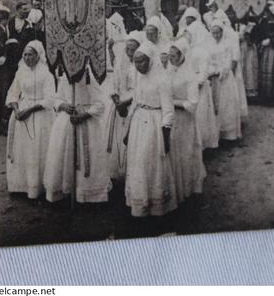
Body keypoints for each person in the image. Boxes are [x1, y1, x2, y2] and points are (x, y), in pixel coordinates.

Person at [44, 68, 112, 204]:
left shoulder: (89, 77)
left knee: (85, 155)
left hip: (85, 121)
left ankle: (86, 193)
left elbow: (100, 104)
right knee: (63, 154)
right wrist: (63, 105)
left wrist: (84, 115)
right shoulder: (65, 77)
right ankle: (65, 190)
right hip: (66, 121)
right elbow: (57, 98)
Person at [124, 41, 177, 217]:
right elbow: (136, 102)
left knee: (150, 163)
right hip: (139, 123)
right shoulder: (139, 77)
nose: (138, 65)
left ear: (151, 61)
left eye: (142, 61)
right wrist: (128, 127)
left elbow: (168, 109)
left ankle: (156, 205)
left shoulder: (162, 80)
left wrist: (166, 132)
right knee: (137, 162)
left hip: (154, 125)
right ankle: (140, 203)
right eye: (136, 62)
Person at [5, 41, 56, 199]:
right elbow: (13, 93)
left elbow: (50, 99)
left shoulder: (46, 75)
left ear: (38, 55)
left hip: (40, 116)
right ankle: (20, 185)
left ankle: (37, 187)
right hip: (21, 114)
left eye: (31, 54)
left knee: (37, 150)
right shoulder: (20, 72)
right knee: (22, 150)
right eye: (25, 55)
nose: (27, 58)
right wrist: (17, 109)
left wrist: (30, 110)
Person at [168, 38, 206, 203]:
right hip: (172, 118)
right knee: (172, 154)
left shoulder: (190, 75)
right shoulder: (170, 70)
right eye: (169, 55)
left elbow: (192, 104)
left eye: (174, 56)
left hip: (184, 120)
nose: (171, 59)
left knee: (185, 153)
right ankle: (175, 189)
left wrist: (174, 102)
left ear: (182, 55)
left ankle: (188, 188)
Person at [104, 31, 142, 180]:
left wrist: (125, 102)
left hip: (132, 103)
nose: (130, 53)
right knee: (116, 139)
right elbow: (114, 82)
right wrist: (115, 97)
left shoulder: (141, 65)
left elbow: (139, 89)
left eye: (133, 49)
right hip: (119, 102)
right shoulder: (121, 61)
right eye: (128, 49)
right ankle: (117, 169)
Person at [185, 21, 219, 150]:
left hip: (199, 88)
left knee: (201, 115)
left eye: (189, 35)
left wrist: (197, 85)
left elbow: (203, 73)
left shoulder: (201, 52)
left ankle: (202, 144)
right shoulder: (189, 49)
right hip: (190, 85)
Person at [207, 21, 241, 143]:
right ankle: (217, 134)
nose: (215, 35)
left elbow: (229, 61)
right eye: (213, 33)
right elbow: (208, 60)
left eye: (218, 33)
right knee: (214, 105)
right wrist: (211, 71)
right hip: (213, 77)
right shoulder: (209, 44)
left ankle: (229, 134)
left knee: (227, 104)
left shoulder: (227, 44)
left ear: (222, 32)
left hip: (224, 77)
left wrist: (222, 71)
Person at [239, 22, 259, 102]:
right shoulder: (240, 24)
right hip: (242, 48)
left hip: (248, 49)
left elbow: (250, 40)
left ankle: (250, 90)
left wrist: (247, 38)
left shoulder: (251, 25)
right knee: (243, 67)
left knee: (249, 68)